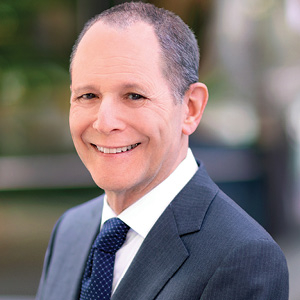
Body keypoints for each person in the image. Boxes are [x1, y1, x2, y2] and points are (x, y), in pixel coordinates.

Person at [36, 2, 289, 300]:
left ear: (191, 109)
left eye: (134, 96)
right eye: (88, 95)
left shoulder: (243, 256)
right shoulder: (70, 230)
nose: (104, 122)